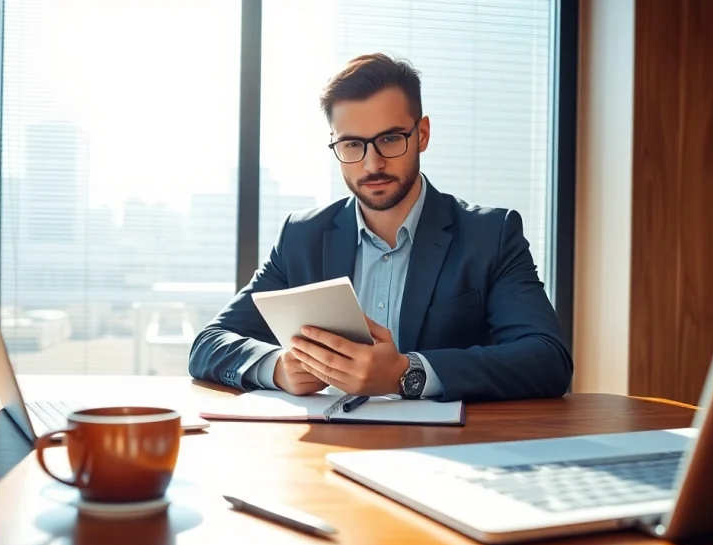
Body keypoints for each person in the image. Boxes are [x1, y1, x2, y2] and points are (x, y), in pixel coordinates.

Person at [188, 53, 572, 403]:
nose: (371, 164)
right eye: (352, 144)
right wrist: (277, 367)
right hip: (322, 453)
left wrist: (407, 373)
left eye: (390, 139)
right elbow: (207, 345)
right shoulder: (301, 237)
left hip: (445, 453)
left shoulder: (491, 235)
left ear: (421, 134)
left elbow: (547, 360)